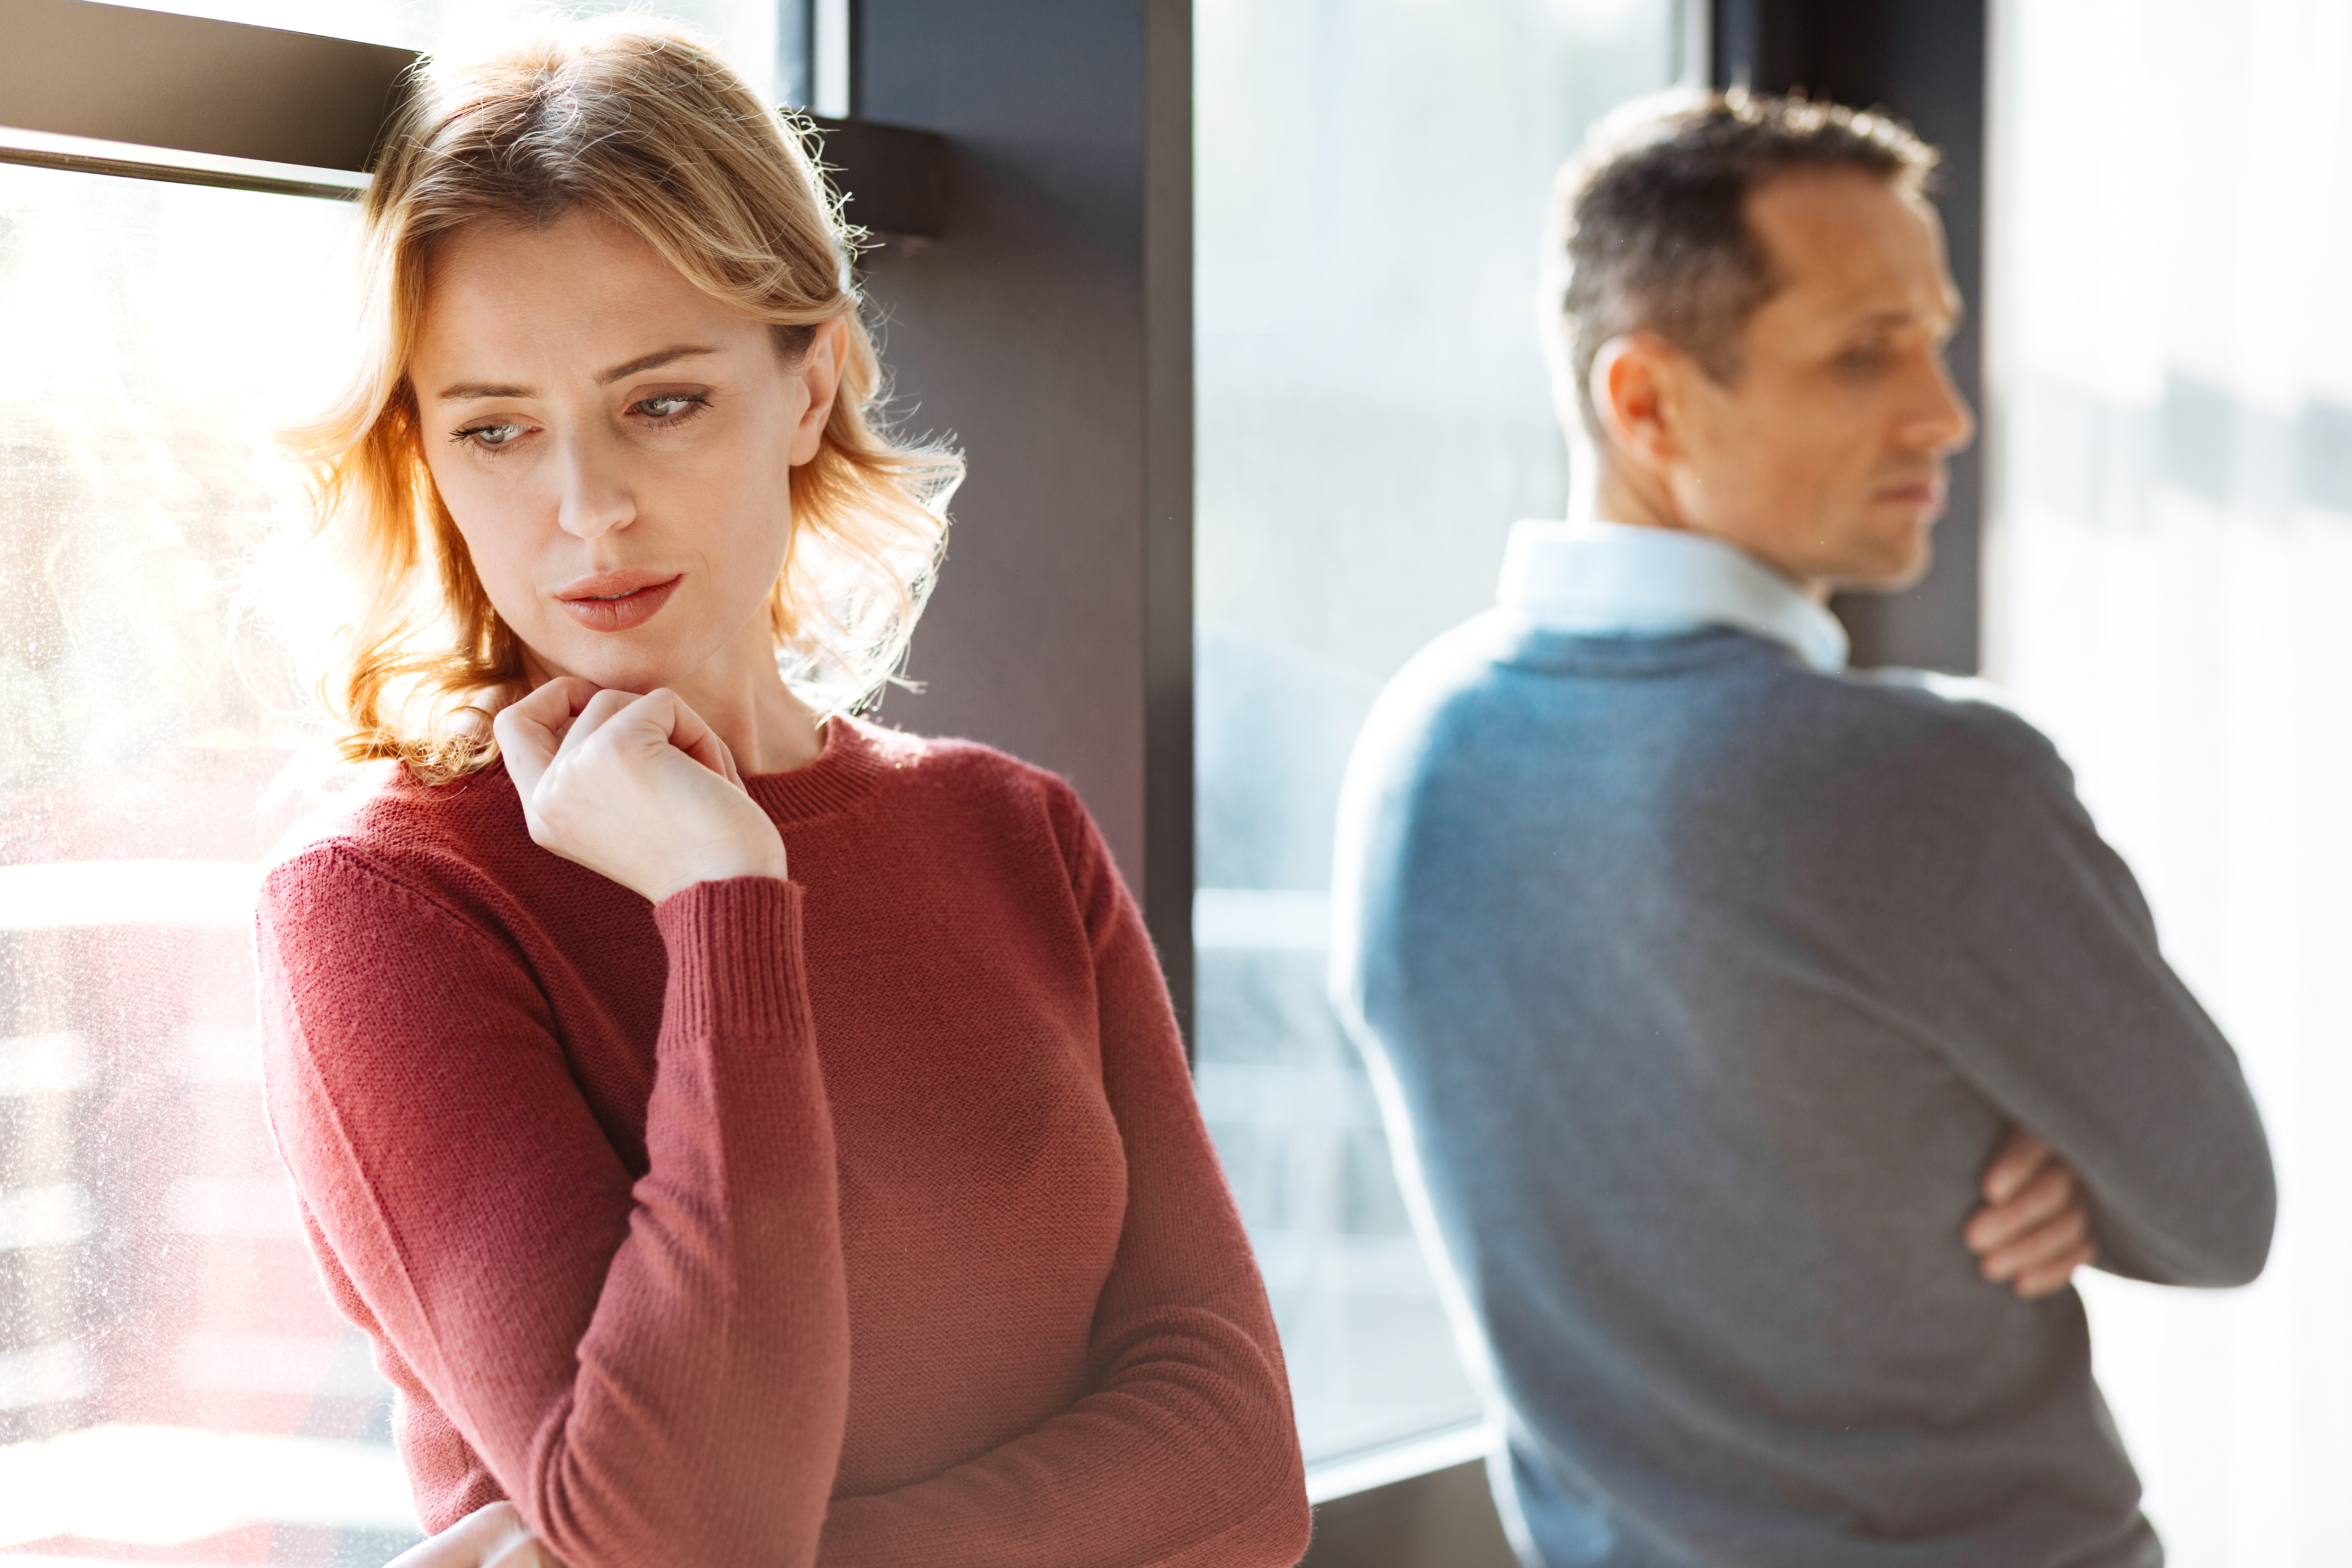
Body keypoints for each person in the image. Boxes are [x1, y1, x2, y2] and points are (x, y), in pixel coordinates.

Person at [255, 20, 1310, 1568]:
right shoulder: (388, 901)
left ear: (808, 385)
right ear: (423, 450)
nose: (587, 508)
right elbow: (681, 1532)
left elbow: (1239, 1464)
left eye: (661, 401)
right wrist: (722, 909)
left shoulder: (1015, 834)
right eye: (496, 428)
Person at [1328, 91, 2276, 1568]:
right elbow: (2222, 1214)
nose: (1946, 411)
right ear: (1645, 404)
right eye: (1863, 354)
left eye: (1936, 336)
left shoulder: (1415, 750)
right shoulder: (1925, 781)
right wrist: (2064, 1139)